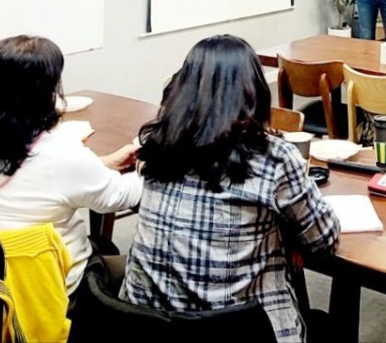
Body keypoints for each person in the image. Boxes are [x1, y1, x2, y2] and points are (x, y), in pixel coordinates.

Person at [122, 35, 339, 343]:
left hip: (149, 328)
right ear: (254, 92)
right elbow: (324, 239)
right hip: (243, 332)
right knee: (325, 325)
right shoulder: (274, 157)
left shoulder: (156, 145)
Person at [0, 35, 142, 296]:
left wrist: (104, 164)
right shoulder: (59, 154)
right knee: (135, 266)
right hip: (46, 292)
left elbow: (32, 180)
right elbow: (121, 196)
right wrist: (149, 166)